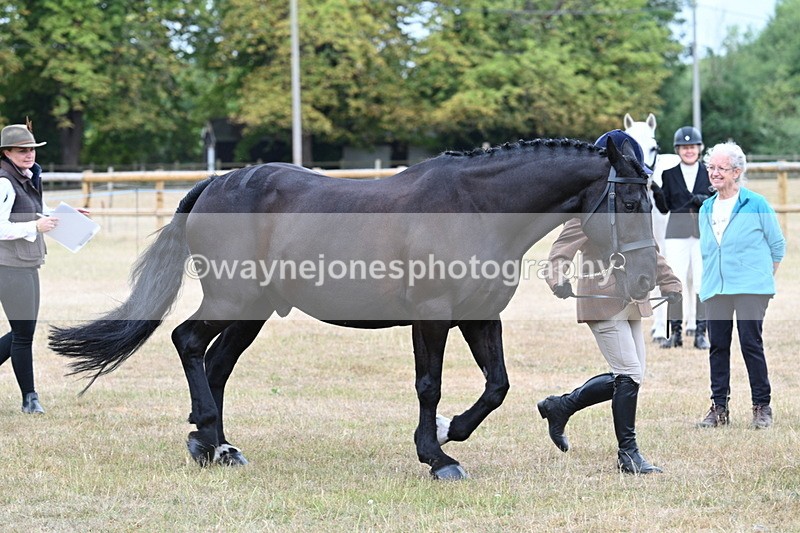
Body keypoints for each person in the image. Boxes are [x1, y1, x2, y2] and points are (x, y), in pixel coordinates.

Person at [537, 130, 682, 474]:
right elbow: (558, 255)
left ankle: (561, 406)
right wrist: (558, 280)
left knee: (632, 375)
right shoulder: (588, 210)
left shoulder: (631, 204)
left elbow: (647, 249)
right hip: (600, 298)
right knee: (629, 374)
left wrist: (671, 283)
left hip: (633, 296)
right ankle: (627, 454)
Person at [696, 142, 785, 429]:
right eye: (711, 167)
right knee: (718, 346)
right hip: (715, 288)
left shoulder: (755, 203)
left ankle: (762, 406)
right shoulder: (706, 207)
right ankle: (718, 409)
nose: (715, 173)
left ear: (737, 171)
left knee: (750, 343)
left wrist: (762, 278)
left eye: (721, 168)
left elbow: (777, 245)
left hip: (750, 288)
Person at [0, 121, 59, 414]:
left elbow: (31, 211)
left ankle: (30, 398)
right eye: (21, 150)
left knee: (23, 331)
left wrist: (62, 215)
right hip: (8, 266)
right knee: (23, 335)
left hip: (26, 263)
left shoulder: (28, 176)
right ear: (6, 152)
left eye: (31, 149)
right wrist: (35, 225)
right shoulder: (4, 182)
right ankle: (30, 399)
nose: (29, 154)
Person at [652, 126, 711, 350]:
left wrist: (704, 199)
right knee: (674, 282)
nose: (689, 151)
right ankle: (674, 332)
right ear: (678, 150)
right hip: (676, 235)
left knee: (700, 281)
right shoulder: (669, 175)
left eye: (692, 147)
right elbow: (665, 207)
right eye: (684, 147)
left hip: (701, 234)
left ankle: (700, 332)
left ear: (699, 149)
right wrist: (657, 193)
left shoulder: (708, 172)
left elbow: (717, 201)